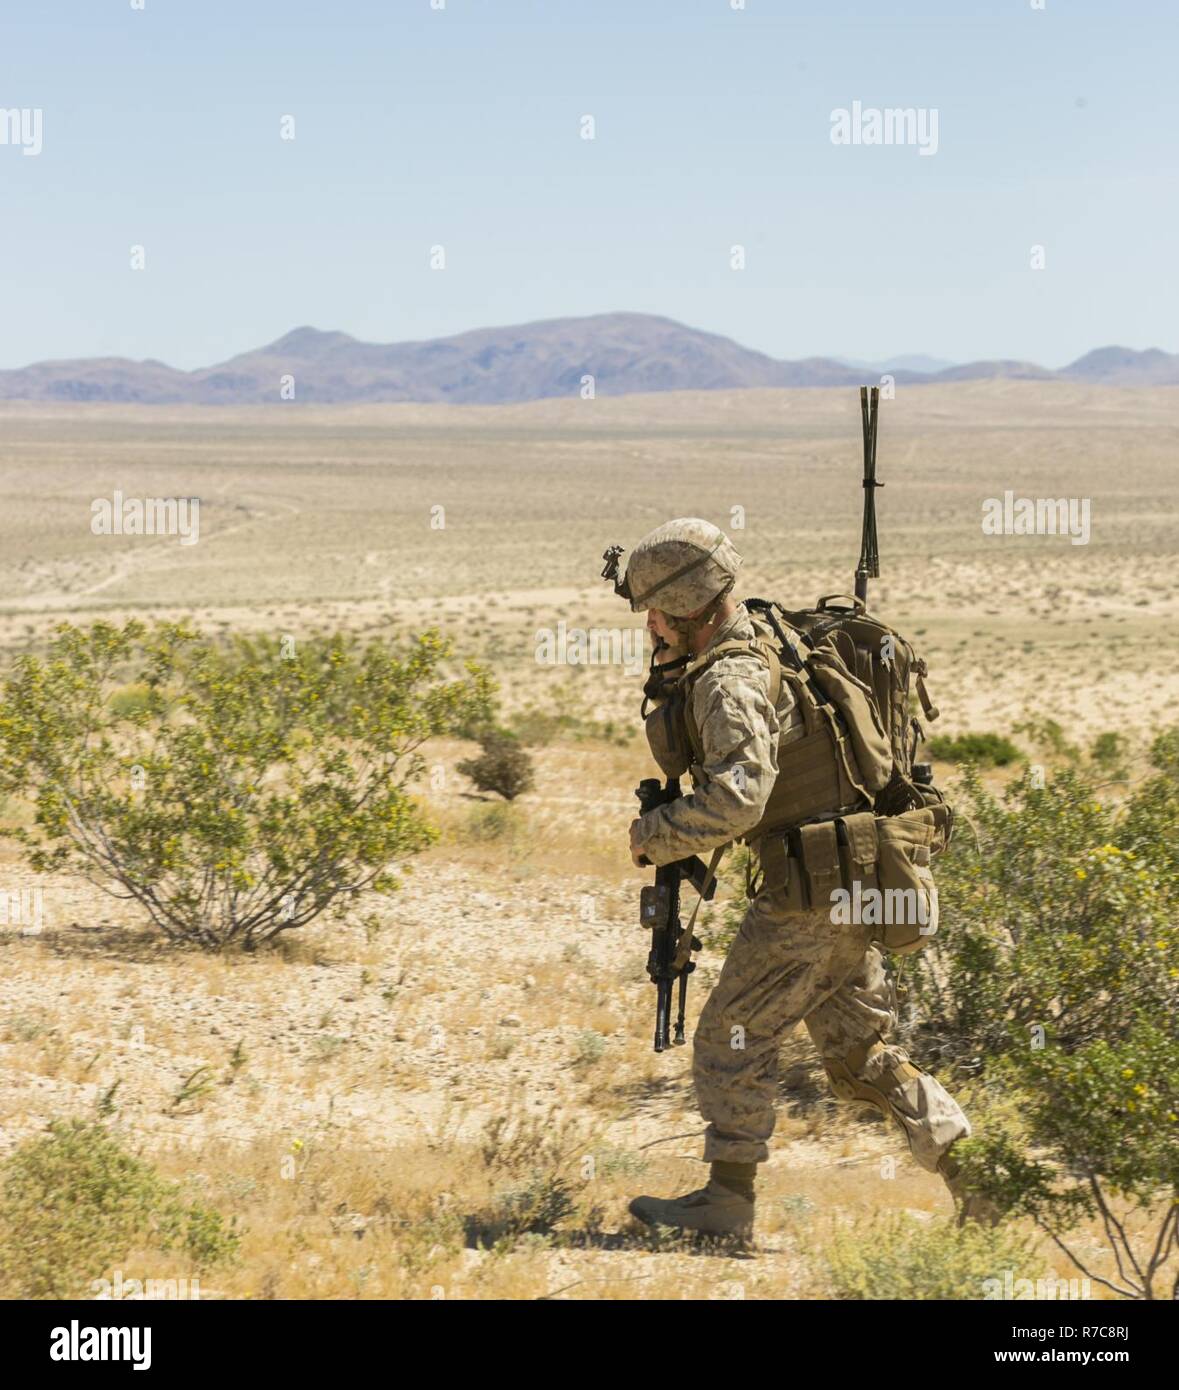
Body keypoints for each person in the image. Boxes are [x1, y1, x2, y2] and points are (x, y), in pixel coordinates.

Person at [612, 517, 992, 1242]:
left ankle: (727, 1203)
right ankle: (979, 1177)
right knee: (860, 1054)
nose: (650, 625)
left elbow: (738, 798)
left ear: (685, 604)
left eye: (655, 611)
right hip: (857, 880)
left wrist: (653, 837)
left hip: (809, 896)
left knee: (728, 1039)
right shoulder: (771, 634)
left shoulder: (728, 677)